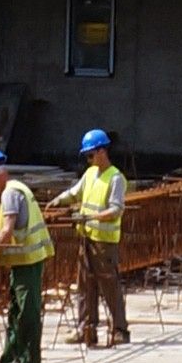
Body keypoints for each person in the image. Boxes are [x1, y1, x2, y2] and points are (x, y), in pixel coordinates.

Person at [0, 146, 51, 363]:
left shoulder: (10, 193)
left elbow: (8, 230)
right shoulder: (18, 188)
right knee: (17, 315)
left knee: (27, 316)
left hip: (27, 263)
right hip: (24, 263)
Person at [61, 129, 130, 348]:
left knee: (109, 285)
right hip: (87, 238)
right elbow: (75, 192)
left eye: (91, 155)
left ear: (102, 151)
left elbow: (116, 210)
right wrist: (57, 201)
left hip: (105, 242)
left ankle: (120, 329)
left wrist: (90, 216)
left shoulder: (116, 178)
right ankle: (86, 329)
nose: (89, 160)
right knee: (85, 285)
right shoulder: (90, 173)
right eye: (87, 156)